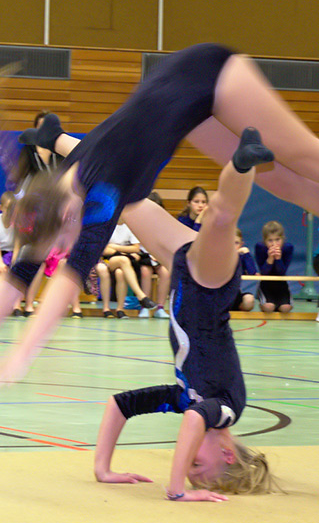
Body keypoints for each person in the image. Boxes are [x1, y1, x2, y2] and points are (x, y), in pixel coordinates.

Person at [0, 42, 319, 392]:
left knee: (306, 157)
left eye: (67, 234)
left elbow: (64, 285)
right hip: (183, 104)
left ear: (70, 214)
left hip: (209, 73)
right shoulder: (63, 185)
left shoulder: (99, 195)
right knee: (284, 181)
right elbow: (17, 276)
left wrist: (22, 354)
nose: (69, 244)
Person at [91, 150, 279, 499]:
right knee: (221, 216)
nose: (190, 465)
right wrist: (177, 489)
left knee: (125, 199)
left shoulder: (183, 399)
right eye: (198, 467)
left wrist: (103, 469)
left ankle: (55, 141)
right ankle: (243, 162)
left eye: (188, 471)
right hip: (211, 285)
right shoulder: (228, 410)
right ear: (227, 453)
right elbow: (195, 421)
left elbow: (119, 405)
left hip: (184, 270)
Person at [254, 220, 294, 313]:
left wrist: (278, 259)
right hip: (266, 284)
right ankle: (263, 303)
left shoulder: (287, 248)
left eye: (277, 240)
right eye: (270, 240)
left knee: (285, 308)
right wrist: (270, 258)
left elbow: (282, 272)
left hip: (281, 285)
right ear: (264, 241)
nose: (274, 244)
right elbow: (264, 272)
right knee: (269, 308)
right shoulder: (260, 248)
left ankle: (280, 303)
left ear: (282, 239)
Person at [231, 229, 260, 311]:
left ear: (241, 244)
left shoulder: (241, 257)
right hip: (220, 297)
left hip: (235, 295)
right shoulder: (220, 255)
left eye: (236, 243)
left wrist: (246, 254)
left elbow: (252, 273)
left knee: (249, 300)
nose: (233, 246)